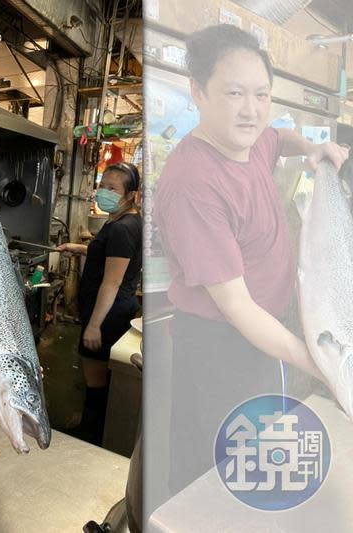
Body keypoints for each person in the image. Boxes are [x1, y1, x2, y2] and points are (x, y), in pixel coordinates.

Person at [152, 24, 348, 496]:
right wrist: (322, 364)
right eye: (235, 93)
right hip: (222, 350)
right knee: (215, 473)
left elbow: (278, 137)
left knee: (260, 458)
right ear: (197, 91)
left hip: (266, 337)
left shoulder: (250, 140)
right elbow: (237, 308)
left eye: (262, 94)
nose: (252, 109)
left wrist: (314, 149)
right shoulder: (194, 184)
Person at [57, 162, 143, 445]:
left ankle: (90, 436)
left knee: (96, 381)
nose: (102, 192)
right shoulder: (122, 221)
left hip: (106, 316)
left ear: (131, 195)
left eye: (112, 188)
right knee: (102, 375)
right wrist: (80, 248)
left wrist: (94, 326)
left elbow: (112, 282)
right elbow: (110, 255)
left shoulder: (123, 228)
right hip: (112, 311)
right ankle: (97, 431)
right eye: (101, 185)